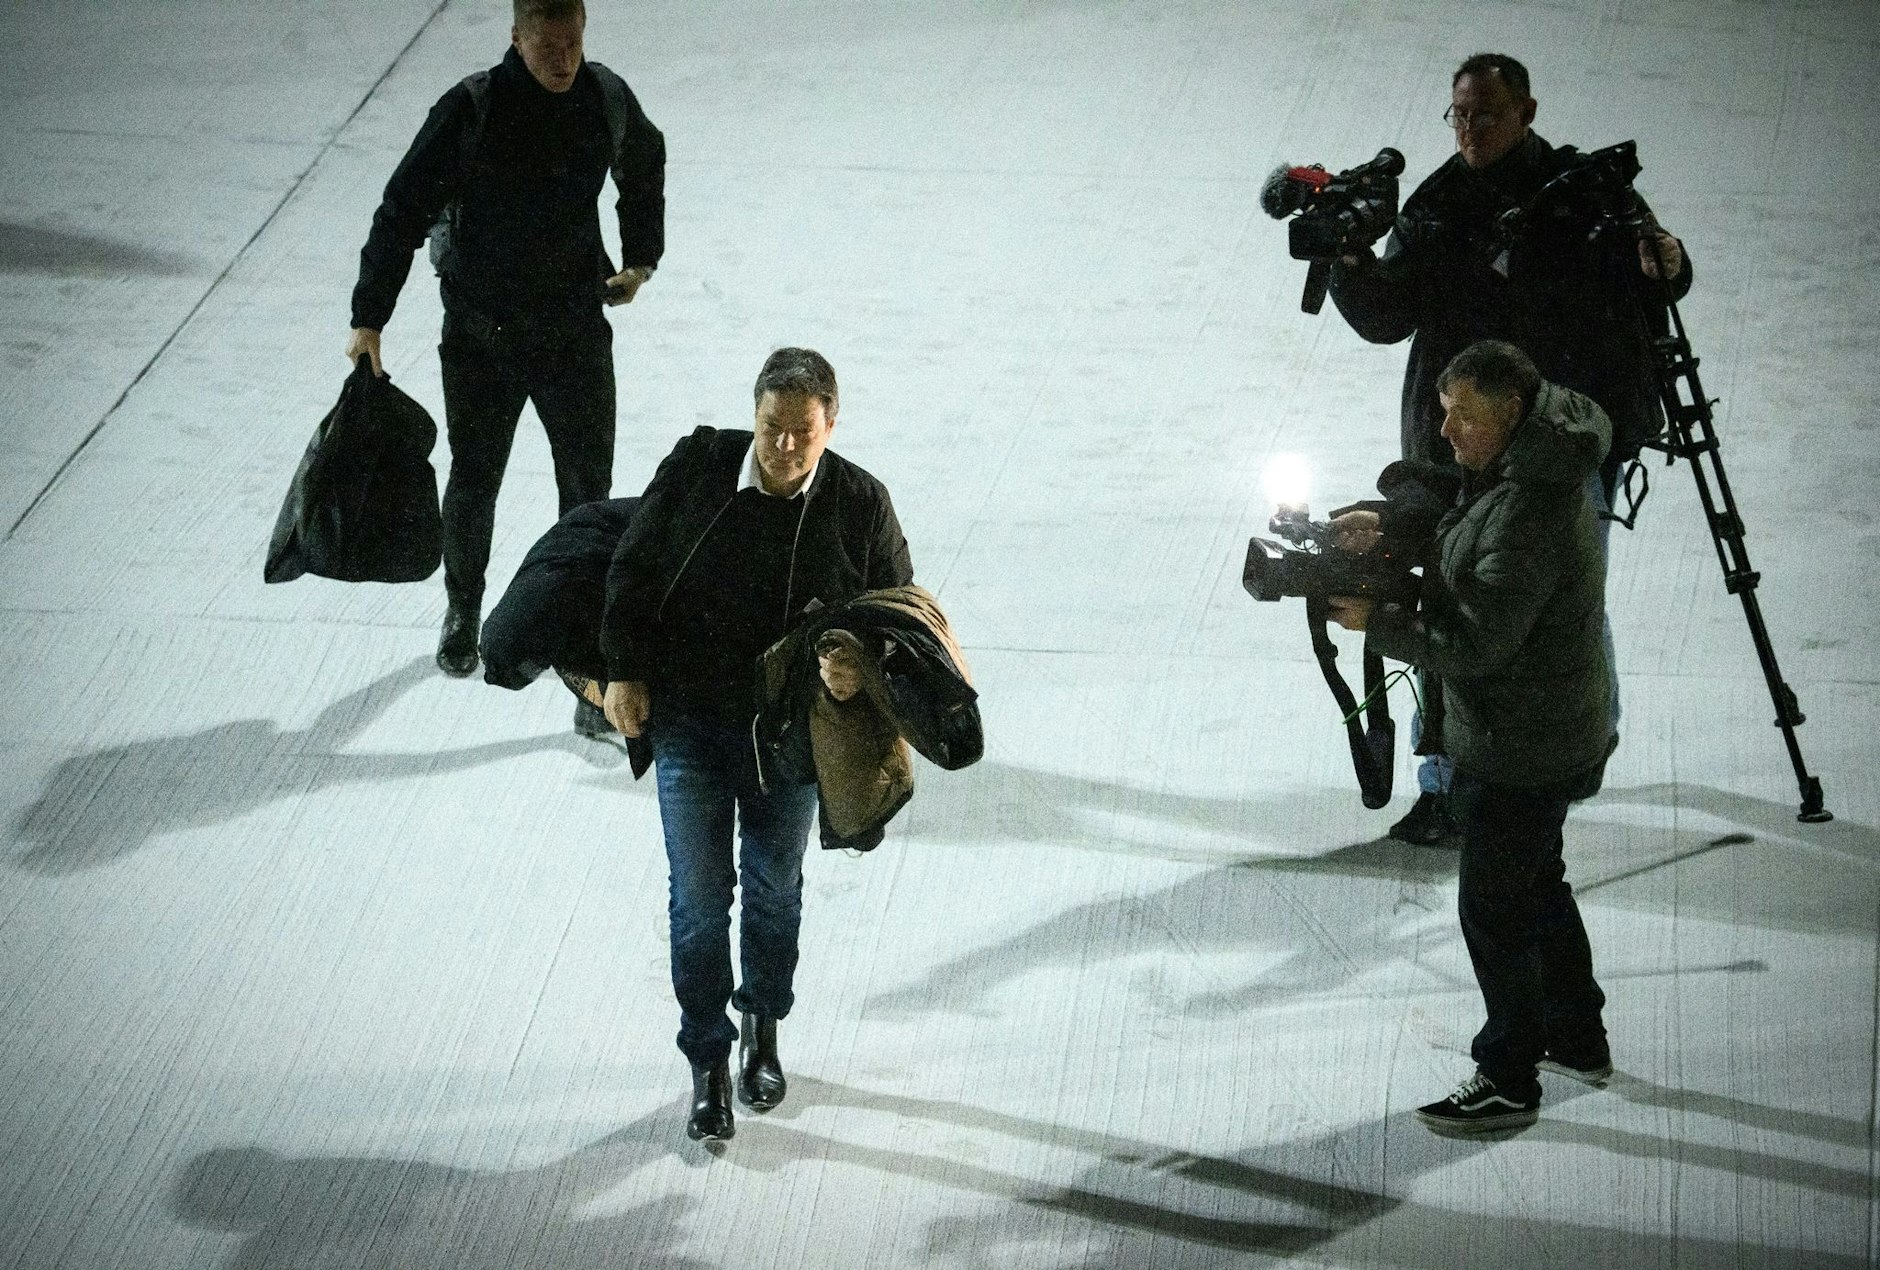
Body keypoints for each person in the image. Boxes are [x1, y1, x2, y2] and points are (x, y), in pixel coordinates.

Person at [1327, 51, 1691, 843]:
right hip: (1454, 446)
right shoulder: (1437, 202)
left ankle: (1578, 745)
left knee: (1559, 604)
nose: (1468, 129)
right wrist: (1347, 257)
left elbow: (1657, 274)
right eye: (1457, 114)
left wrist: (1669, 261)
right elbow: (1388, 315)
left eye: (1484, 114)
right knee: (1456, 598)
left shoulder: (1588, 194)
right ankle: (1450, 781)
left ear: (1527, 111)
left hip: (1561, 446)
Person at [599, 348, 914, 1142]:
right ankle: (707, 1057)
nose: (783, 448)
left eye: (801, 433)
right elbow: (632, 567)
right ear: (755, 414)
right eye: (772, 428)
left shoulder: (861, 503)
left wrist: (859, 670)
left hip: (789, 739)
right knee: (700, 901)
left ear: (830, 424)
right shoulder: (701, 465)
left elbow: (900, 612)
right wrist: (624, 672)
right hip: (692, 725)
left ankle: (762, 1028)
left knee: (774, 891)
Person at [344, 0, 665, 728]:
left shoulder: (603, 98)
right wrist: (369, 318)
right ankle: (463, 609)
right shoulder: (470, 111)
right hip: (482, 339)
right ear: (514, 38)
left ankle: (585, 665)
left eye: (574, 43)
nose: (564, 60)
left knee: (586, 505)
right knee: (475, 477)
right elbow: (399, 209)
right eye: (548, 45)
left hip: (574, 333)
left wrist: (641, 256)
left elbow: (644, 160)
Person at [1329, 340, 1614, 1133]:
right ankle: (1577, 1033)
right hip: (1543, 726)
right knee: (1537, 883)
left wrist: (1380, 623)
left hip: (1521, 743)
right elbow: (1466, 513)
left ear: (1512, 414)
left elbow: (1480, 645)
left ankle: (1508, 1074)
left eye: (1463, 417)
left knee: (1494, 908)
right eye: (1443, 409)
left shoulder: (1532, 510)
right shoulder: (1528, 467)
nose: (1445, 431)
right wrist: (1384, 522)